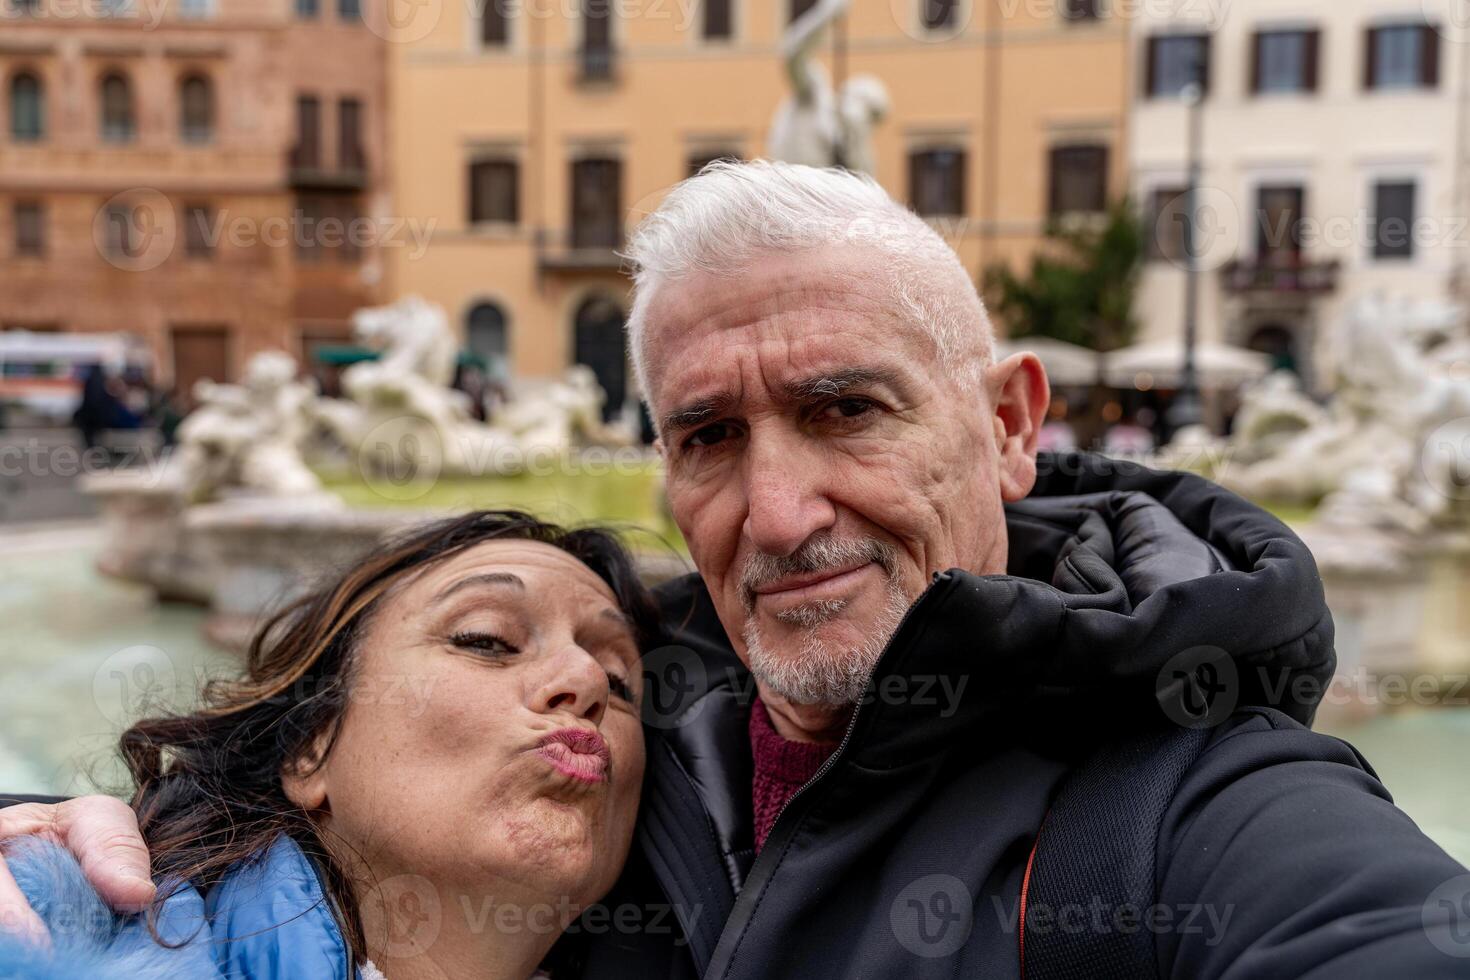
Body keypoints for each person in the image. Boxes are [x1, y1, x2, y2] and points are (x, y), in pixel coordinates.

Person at [6, 161, 1470, 976]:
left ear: (1011, 422)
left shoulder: (1196, 810)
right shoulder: (612, 750)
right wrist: (110, 841)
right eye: (707, 436)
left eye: (846, 409)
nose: (775, 514)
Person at [0, 512, 658, 979]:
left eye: (623, 681)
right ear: (311, 749)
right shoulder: (58, 935)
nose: (587, 680)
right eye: (486, 639)